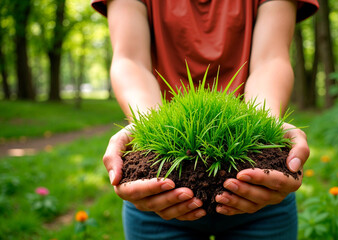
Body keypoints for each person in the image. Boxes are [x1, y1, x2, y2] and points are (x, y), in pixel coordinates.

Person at [91, 0, 318, 239]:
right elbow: (130, 59)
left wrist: (265, 127)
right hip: (159, 192)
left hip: (259, 191)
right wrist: (148, 128)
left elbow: (270, 59)